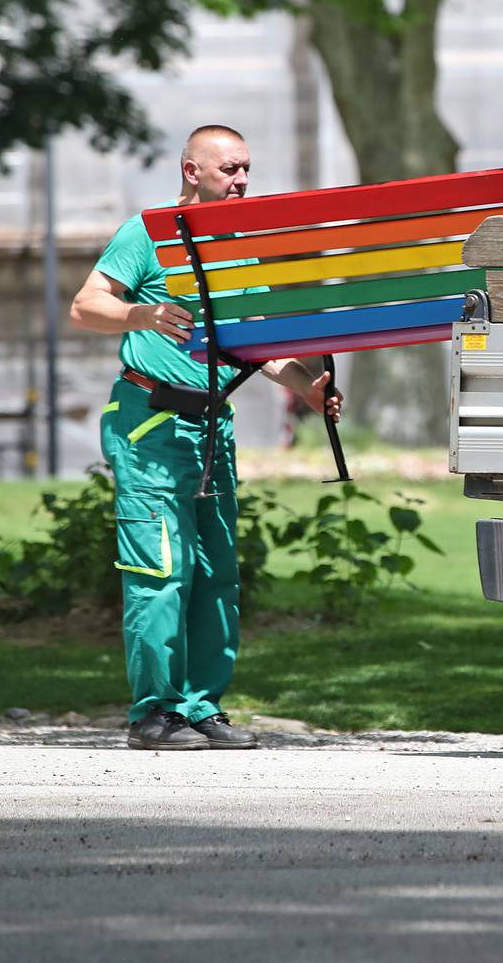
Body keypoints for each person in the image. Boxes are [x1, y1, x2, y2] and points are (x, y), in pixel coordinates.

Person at [69, 125, 343, 750]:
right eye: (229, 170)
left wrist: (306, 386)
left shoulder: (241, 249)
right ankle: (152, 714)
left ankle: (201, 707)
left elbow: (255, 351)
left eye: (247, 168)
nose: (242, 180)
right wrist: (141, 313)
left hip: (213, 424)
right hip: (150, 423)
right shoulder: (148, 234)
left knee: (216, 571)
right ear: (193, 172)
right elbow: (85, 307)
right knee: (160, 569)